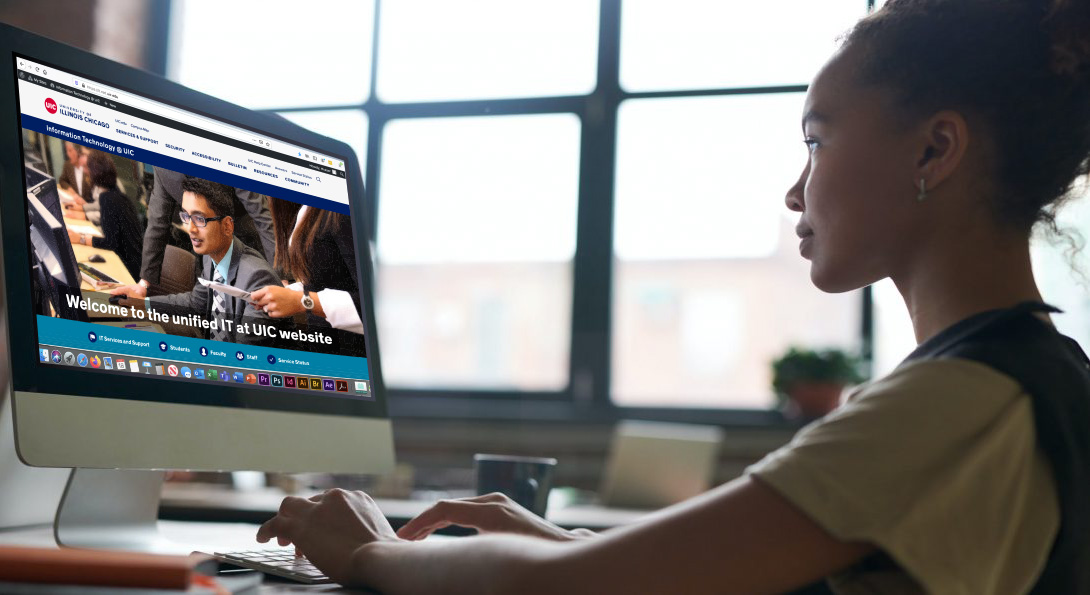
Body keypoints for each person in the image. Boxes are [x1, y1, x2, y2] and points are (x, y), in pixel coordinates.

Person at [255, 0, 1090, 592]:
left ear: (935, 150)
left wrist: (371, 554)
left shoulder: (960, 403)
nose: (796, 193)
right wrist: (552, 538)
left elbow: (576, 590)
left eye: (817, 140)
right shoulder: (1032, 377)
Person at [110, 177, 280, 345]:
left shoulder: (258, 278)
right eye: (186, 216)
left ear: (227, 226)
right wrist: (142, 304)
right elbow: (195, 303)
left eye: (200, 219)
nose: (190, 229)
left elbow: (244, 356)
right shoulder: (210, 256)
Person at [137, 167, 275, 292]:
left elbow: (261, 215)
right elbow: (157, 223)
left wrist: (280, 277)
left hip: (246, 241)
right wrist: (144, 283)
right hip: (209, 250)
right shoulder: (163, 168)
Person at [249, 197, 363, 334]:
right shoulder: (304, 209)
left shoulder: (341, 212)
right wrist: (290, 293)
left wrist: (303, 300)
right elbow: (328, 278)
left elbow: (376, 304)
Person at [67, 151, 143, 281]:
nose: (86, 172)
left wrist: (80, 239)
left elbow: (110, 242)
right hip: (137, 263)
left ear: (94, 174)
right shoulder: (118, 196)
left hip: (130, 272)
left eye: (87, 169)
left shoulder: (107, 199)